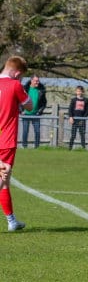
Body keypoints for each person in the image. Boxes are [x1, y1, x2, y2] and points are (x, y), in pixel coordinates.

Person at [1, 56, 33, 231]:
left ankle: (11, 220)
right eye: (21, 76)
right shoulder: (14, 85)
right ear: (17, 73)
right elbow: (30, 106)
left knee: (4, 181)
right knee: (3, 177)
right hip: (5, 140)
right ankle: (11, 221)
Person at [20, 75, 46, 148]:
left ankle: (37, 147)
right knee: (25, 131)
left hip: (36, 114)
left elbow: (44, 103)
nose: (37, 82)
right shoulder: (25, 89)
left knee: (37, 131)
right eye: (36, 81)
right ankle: (24, 146)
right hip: (26, 114)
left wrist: (39, 111)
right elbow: (19, 100)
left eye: (38, 81)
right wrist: (21, 110)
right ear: (31, 81)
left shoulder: (41, 90)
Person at [67, 85, 88, 150]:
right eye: (77, 91)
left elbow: (87, 110)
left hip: (82, 120)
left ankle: (83, 148)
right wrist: (70, 117)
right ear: (76, 92)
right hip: (74, 120)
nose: (79, 92)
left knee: (82, 135)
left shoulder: (86, 100)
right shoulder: (73, 100)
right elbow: (70, 109)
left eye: (80, 91)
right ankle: (70, 148)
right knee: (73, 135)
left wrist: (83, 119)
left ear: (82, 92)